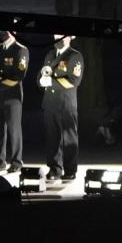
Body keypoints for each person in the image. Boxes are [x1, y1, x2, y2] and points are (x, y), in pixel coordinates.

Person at [0, 30, 29, 173]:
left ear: (13, 32)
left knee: (14, 129)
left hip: (12, 96)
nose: (3, 33)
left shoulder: (20, 50)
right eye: (1, 30)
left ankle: (16, 161)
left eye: (6, 30)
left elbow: (18, 76)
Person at [40, 35, 83, 181]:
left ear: (69, 38)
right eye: (56, 35)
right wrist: (41, 80)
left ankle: (70, 169)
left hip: (66, 103)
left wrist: (50, 82)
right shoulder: (50, 54)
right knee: (52, 138)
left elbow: (74, 80)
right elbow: (41, 75)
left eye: (61, 35)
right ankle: (54, 169)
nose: (57, 38)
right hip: (50, 103)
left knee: (69, 138)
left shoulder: (74, 55)